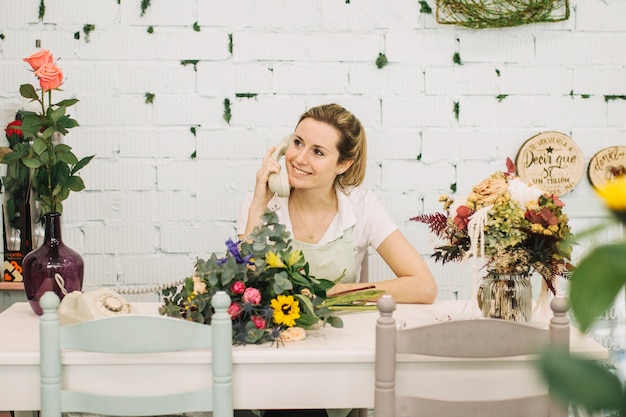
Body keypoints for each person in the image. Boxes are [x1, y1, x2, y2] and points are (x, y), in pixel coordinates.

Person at [238, 103, 437, 305]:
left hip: (346, 333)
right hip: (280, 334)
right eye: (298, 143)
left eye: (318, 152)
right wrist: (259, 204)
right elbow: (243, 286)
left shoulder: (363, 206)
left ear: (343, 165)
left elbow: (424, 287)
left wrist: (337, 291)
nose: (299, 158)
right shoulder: (258, 202)